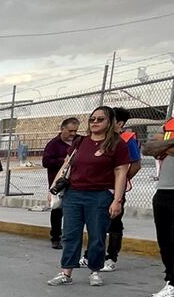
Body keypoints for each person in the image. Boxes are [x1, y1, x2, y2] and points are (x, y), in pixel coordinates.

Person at [47, 106, 129, 287]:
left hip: (100, 196)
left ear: (110, 122)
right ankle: (66, 272)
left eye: (100, 119)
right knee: (70, 234)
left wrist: (117, 200)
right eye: (92, 119)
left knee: (97, 235)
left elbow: (121, 173)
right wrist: (53, 187)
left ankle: (95, 270)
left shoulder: (117, 144)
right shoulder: (80, 142)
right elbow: (66, 165)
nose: (95, 122)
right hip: (74, 195)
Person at [87, 107, 143, 272]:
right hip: (97, 188)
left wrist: (121, 181)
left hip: (114, 190)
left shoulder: (126, 140)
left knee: (114, 223)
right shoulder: (101, 139)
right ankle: (90, 254)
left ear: (118, 123)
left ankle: (111, 257)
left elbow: (136, 165)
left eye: (106, 119)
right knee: (94, 223)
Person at [142, 120, 174, 297]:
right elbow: (148, 148)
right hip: (163, 191)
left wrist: (164, 145)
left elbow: (159, 147)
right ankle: (170, 282)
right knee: (165, 242)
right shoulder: (170, 123)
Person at [42, 117, 80, 249]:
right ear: (62, 129)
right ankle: (56, 237)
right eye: (70, 131)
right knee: (57, 210)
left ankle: (72, 236)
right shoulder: (53, 144)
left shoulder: (80, 141)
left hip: (77, 182)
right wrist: (64, 161)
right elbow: (46, 162)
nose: (73, 134)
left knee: (75, 211)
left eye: (75, 131)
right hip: (58, 183)